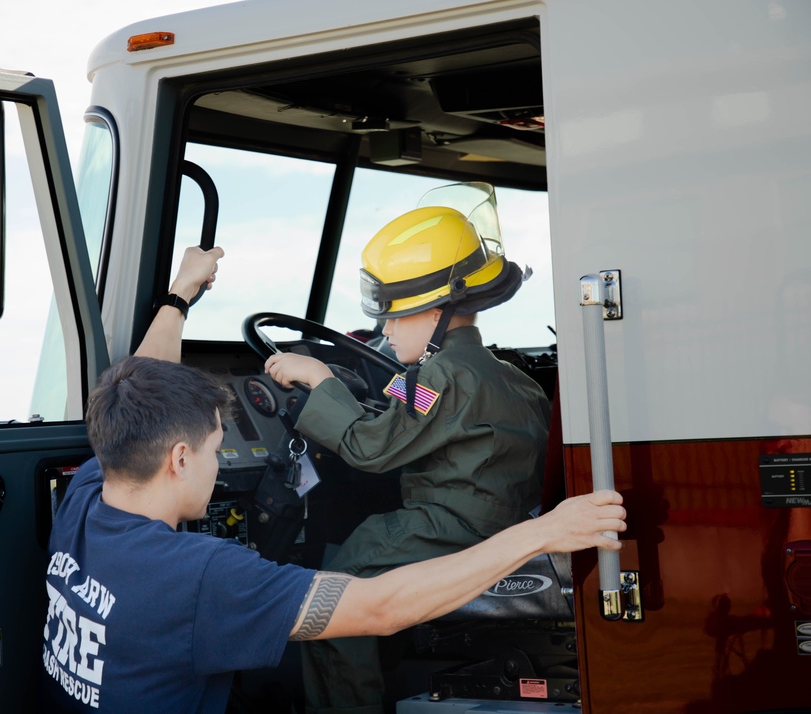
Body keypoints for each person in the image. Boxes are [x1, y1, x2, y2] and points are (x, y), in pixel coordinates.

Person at [40, 244, 625, 714]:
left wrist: (183, 294)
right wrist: (544, 530)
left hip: (457, 519)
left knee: (344, 565)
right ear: (179, 459)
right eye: (219, 446)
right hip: (490, 515)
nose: (221, 461)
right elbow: (375, 606)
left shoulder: (88, 498)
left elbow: (143, 387)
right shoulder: (204, 577)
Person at [262, 199, 552, 713]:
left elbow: (369, 448)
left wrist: (322, 380)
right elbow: (409, 418)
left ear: (437, 312)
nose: (388, 330)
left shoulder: (441, 377)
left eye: (396, 316)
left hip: (446, 525)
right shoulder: (506, 374)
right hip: (496, 523)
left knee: (331, 598)